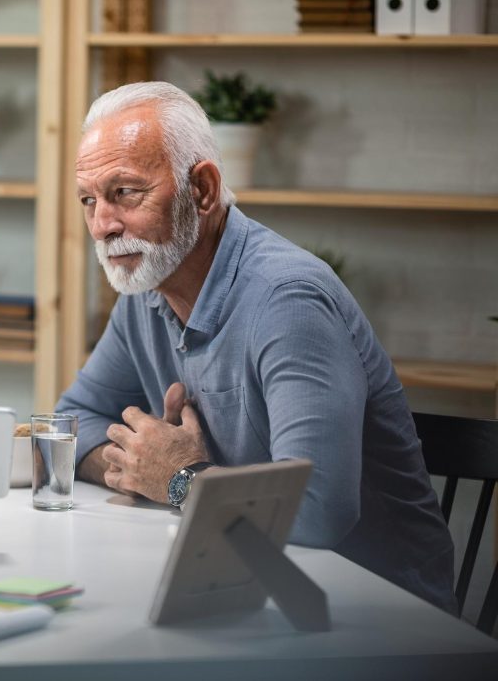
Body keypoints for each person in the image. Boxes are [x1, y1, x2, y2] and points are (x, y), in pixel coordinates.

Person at [56, 81, 457, 613]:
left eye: (126, 192)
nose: (103, 225)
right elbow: (71, 419)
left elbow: (318, 513)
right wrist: (136, 465)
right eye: (90, 200)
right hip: (248, 585)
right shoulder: (146, 287)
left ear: (201, 189)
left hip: (373, 617)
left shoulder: (288, 302)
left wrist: (179, 479)